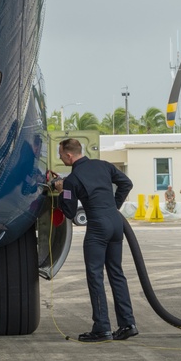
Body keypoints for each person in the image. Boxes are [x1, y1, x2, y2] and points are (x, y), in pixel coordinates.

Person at [53, 138, 137, 343]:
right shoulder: (104, 165)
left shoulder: (72, 180)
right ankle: (127, 324)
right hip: (116, 223)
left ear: (69, 155)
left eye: (61, 154)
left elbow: (70, 211)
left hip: (98, 227)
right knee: (117, 273)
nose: (60, 157)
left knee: (95, 276)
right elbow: (127, 183)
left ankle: (102, 327)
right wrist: (113, 206)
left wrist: (60, 191)